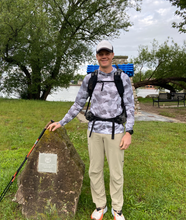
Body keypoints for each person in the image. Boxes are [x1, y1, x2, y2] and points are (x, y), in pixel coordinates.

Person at [47, 40, 135, 220]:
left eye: (107, 53)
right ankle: (100, 205)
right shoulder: (90, 79)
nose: (104, 56)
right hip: (94, 130)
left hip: (116, 130)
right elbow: (78, 103)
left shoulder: (122, 78)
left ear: (112, 55)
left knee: (116, 171)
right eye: (100, 53)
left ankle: (117, 209)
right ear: (97, 56)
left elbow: (130, 106)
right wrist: (62, 122)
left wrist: (129, 132)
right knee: (95, 170)